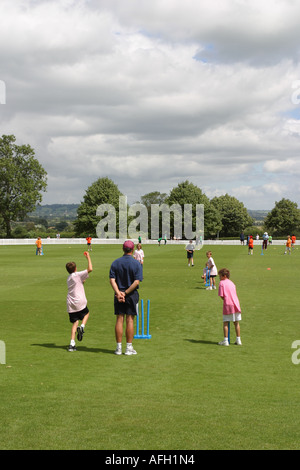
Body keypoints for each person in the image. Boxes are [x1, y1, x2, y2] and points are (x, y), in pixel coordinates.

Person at [109, 240, 143, 356]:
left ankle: (118, 348)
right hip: (131, 295)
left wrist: (119, 293)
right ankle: (128, 348)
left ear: (123, 249)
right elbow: (136, 281)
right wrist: (126, 293)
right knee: (130, 319)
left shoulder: (115, 262)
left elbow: (112, 280)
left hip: (118, 294)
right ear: (132, 250)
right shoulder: (136, 263)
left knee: (119, 319)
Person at [66, 252, 93, 352]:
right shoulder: (76, 275)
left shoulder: (69, 278)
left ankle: (72, 344)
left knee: (74, 322)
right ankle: (82, 327)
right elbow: (90, 269)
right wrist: (88, 257)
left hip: (70, 303)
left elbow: (82, 281)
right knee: (86, 313)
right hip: (79, 301)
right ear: (75, 269)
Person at [218, 268, 242, 346]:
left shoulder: (221, 283)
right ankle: (238, 339)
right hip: (236, 304)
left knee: (225, 322)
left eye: (220, 276)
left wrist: (225, 300)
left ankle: (226, 340)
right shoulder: (232, 283)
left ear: (224, 276)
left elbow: (222, 295)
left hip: (228, 304)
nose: (219, 278)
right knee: (236, 322)